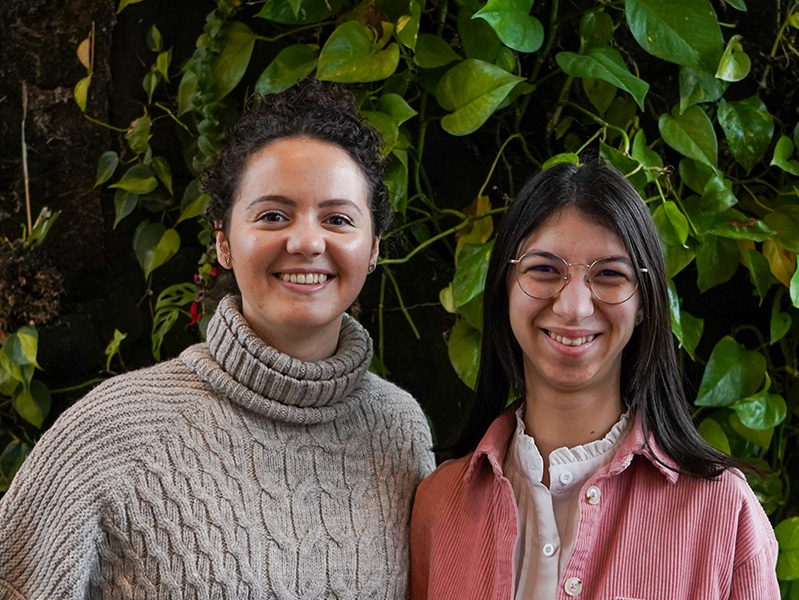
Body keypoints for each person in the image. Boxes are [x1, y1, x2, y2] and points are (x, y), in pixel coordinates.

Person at [0, 79, 434, 599]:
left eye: (338, 219)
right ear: (224, 242)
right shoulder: (112, 433)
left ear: (373, 250)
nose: (306, 241)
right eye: (273, 215)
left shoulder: (399, 429)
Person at [410, 159, 779, 600]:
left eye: (609, 274)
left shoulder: (722, 511)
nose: (574, 307)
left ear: (644, 303)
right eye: (544, 269)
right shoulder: (440, 504)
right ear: (503, 290)